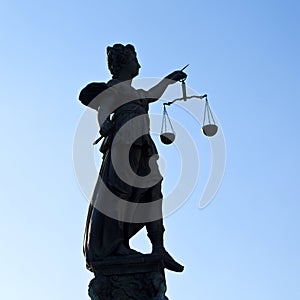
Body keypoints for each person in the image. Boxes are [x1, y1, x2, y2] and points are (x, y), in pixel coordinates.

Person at [80, 44, 187, 273]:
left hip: (143, 143)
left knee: (153, 191)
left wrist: (170, 79)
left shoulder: (137, 93)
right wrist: (104, 124)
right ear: (122, 64)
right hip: (124, 142)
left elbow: (153, 95)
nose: (138, 63)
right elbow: (104, 109)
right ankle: (116, 244)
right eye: (134, 59)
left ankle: (159, 247)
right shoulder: (114, 89)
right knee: (123, 191)